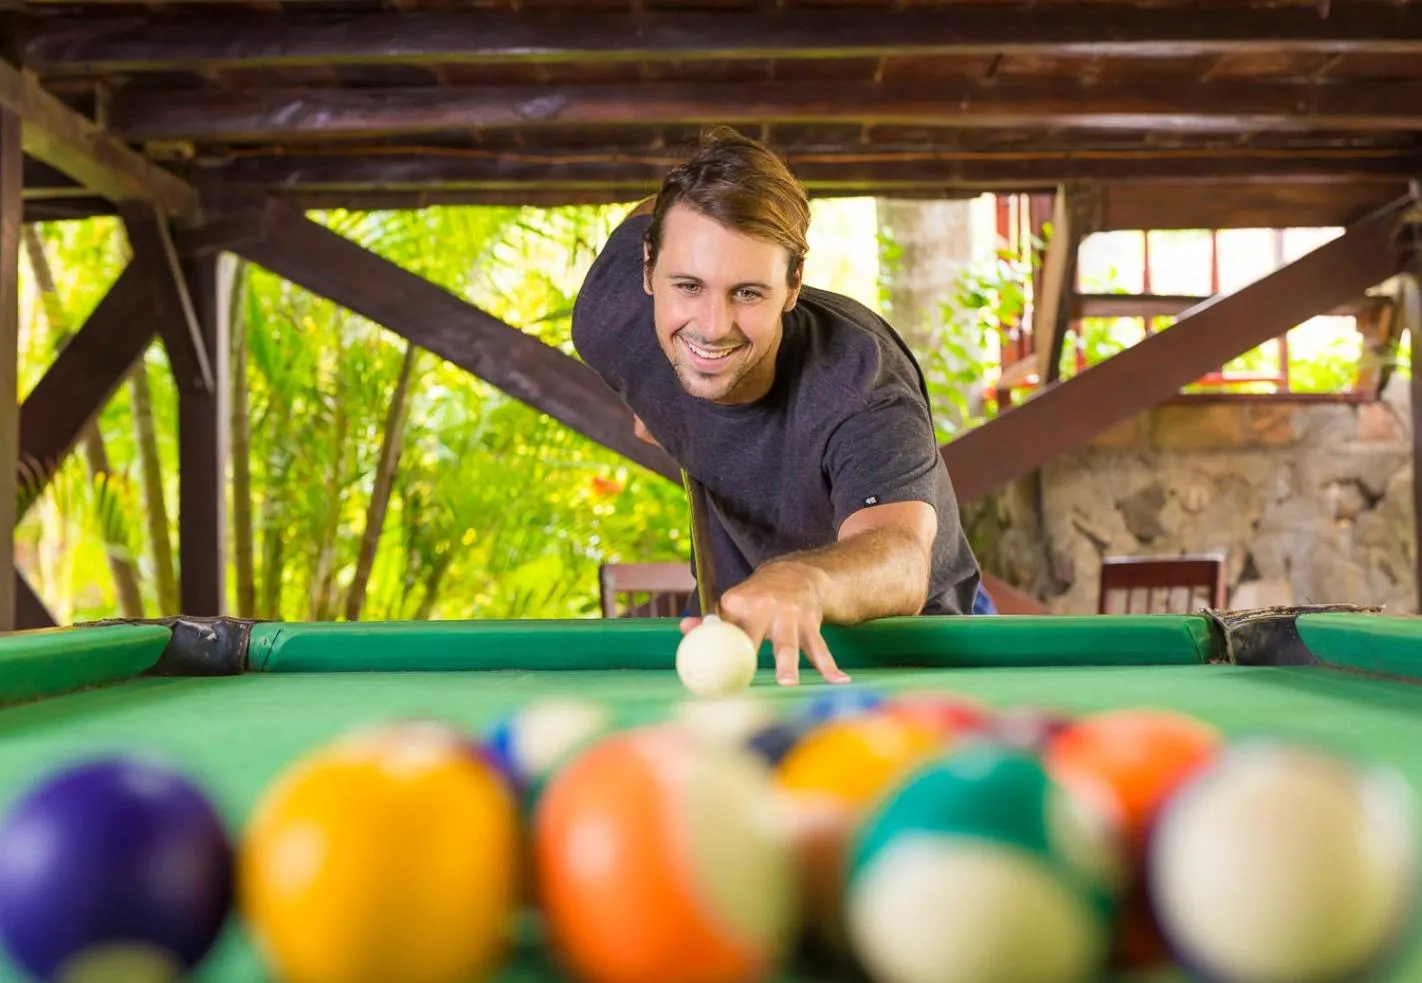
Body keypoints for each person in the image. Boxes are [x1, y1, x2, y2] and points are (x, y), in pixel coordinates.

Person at [571, 127, 984, 687]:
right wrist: (663, 408)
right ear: (647, 268)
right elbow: (654, 209)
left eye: (748, 292)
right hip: (741, 622)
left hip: (908, 641)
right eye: (688, 285)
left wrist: (804, 579)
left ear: (793, 287)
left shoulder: (861, 383)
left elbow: (902, 558)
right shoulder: (611, 320)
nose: (713, 327)